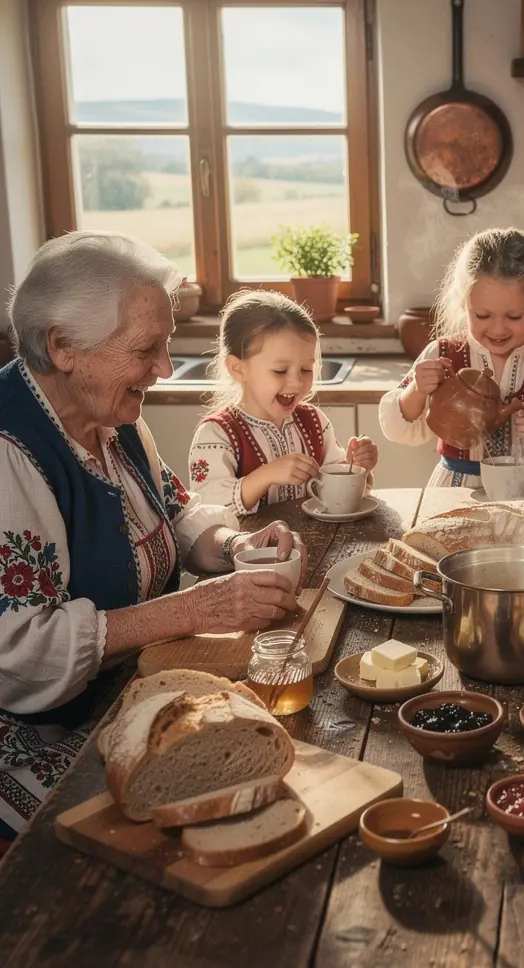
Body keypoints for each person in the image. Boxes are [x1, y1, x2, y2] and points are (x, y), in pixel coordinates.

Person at [0, 231, 305, 848]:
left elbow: (175, 511)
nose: (165, 368)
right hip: (36, 738)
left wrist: (235, 547)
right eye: (146, 349)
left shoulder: (113, 417)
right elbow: (20, 652)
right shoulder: (10, 451)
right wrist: (193, 609)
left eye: (165, 345)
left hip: (132, 695)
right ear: (63, 347)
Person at [378, 228, 524, 488]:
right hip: (457, 489)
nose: (498, 329)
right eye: (483, 316)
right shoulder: (441, 354)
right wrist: (417, 390)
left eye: (514, 317)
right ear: (463, 302)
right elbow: (396, 429)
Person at [188, 289, 378, 515]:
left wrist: (357, 469)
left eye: (306, 369)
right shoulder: (216, 434)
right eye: (280, 371)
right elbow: (207, 508)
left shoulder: (315, 422)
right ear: (237, 368)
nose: (297, 382)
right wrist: (266, 475)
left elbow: (336, 498)